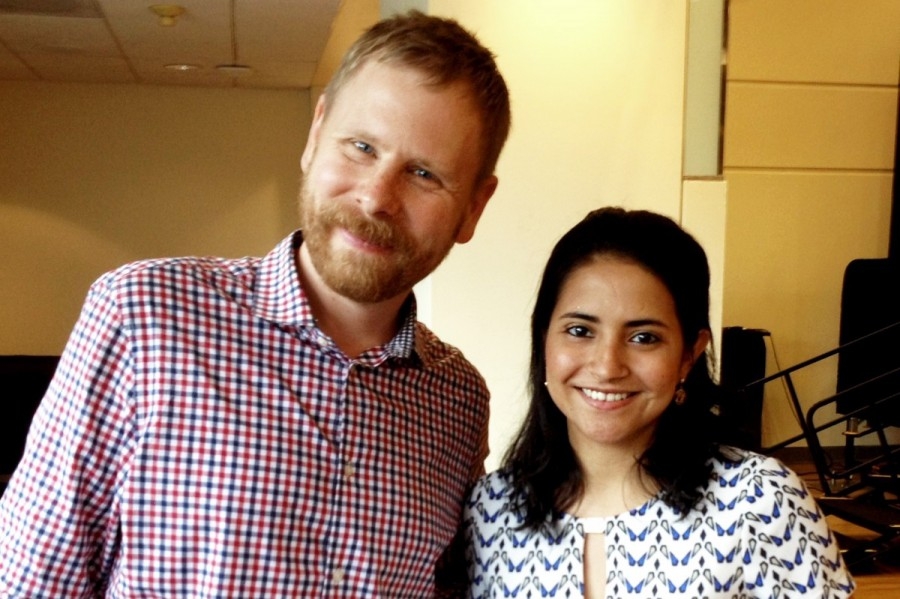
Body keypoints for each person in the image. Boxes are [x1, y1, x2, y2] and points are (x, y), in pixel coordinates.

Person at [0, 10, 510, 597]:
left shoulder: (458, 401)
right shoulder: (143, 315)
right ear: (316, 135)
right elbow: (32, 582)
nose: (376, 197)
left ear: (474, 205)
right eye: (361, 146)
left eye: (423, 174)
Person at [463, 207, 855, 598]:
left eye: (644, 337)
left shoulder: (760, 501)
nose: (607, 366)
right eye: (580, 330)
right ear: (544, 339)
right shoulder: (491, 509)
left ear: (689, 354)